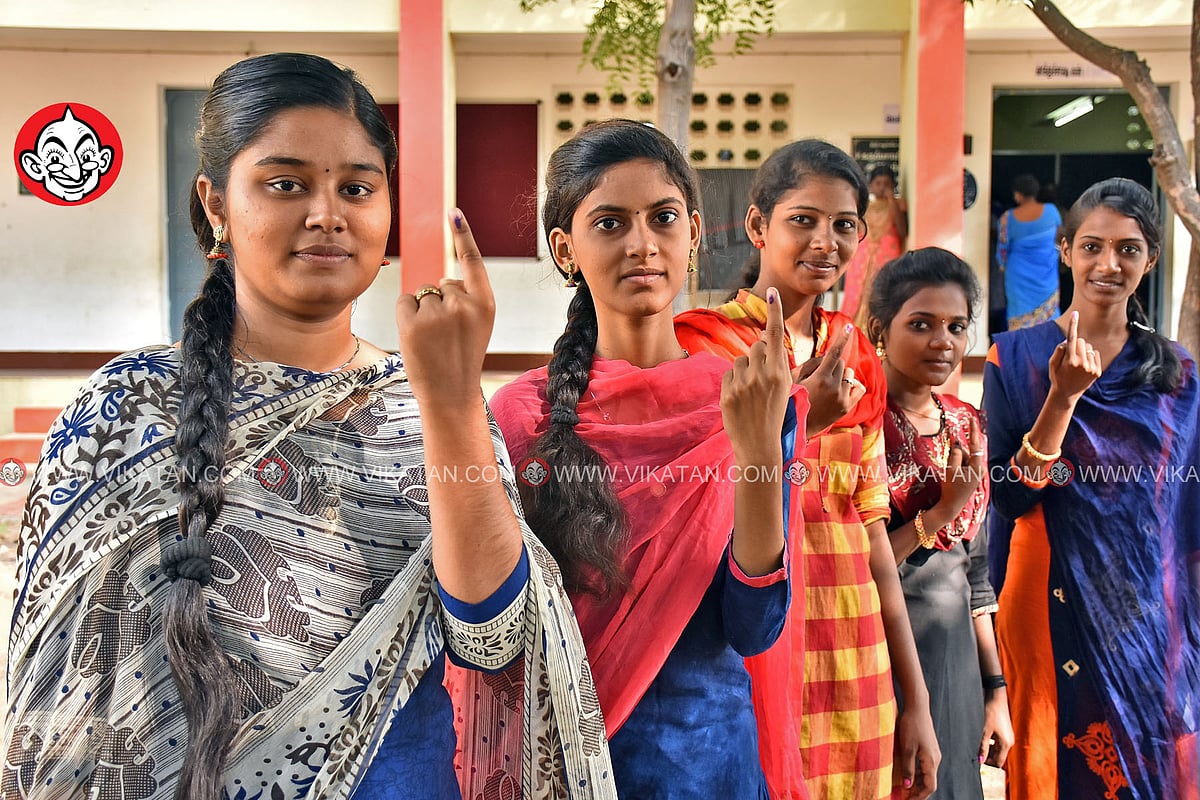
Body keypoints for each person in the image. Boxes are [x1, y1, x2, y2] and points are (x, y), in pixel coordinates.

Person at [1, 53, 613, 800]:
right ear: (217, 203)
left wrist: (451, 402)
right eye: (285, 184)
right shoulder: (125, 408)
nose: (328, 214)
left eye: (357, 187)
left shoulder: (424, 400)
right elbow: (56, 714)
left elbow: (493, 637)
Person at [480, 119, 809, 798]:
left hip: (705, 766)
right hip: (559, 763)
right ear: (564, 249)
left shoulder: (751, 397)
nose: (641, 244)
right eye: (609, 223)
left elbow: (753, 629)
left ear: (692, 233)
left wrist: (755, 458)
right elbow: (493, 626)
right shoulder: (520, 416)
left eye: (662, 218)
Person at [676, 139, 941, 800]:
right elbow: (693, 515)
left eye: (844, 225)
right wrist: (798, 412)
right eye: (804, 220)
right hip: (749, 656)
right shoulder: (700, 346)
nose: (826, 240)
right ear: (759, 225)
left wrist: (917, 702)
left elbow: (874, 538)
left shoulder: (859, 357)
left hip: (854, 662)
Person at [985, 177, 1200, 800]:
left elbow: (1187, 511)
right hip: (1049, 597)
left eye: (1129, 249)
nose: (1109, 264)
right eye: (1093, 246)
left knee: (1151, 760)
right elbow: (1009, 496)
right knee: (1055, 760)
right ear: (1065, 250)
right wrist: (1062, 398)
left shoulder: (1178, 374)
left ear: (1150, 260)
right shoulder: (1015, 357)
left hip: (1150, 605)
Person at [866, 248, 1014, 799]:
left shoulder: (966, 422)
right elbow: (858, 558)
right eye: (921, 324)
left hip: (955, 664)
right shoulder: (858, 421)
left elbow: (976, 574)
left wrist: (995, 690)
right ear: (881, 328)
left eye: (956, 326)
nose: (942, 341)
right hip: (880, 649)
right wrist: (941, 514)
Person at [842, 164, 907, 328]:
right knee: (856, 298)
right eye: (878, 183)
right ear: (871, 186)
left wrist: (891, 199)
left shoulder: (899, 205)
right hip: (862, 261)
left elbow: (902, 231)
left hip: (885, 259)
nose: (882, 187)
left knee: (882, 295)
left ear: (893, 186)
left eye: (887, 183)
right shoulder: (863, 208)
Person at [995, 174, 1062, 330]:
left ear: (1018, 194)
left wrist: (1002, 266)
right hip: (1046, 271)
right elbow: (1060, 239)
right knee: (1049, 319)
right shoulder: (1052, 212)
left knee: (1019, 317)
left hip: (1017, 276)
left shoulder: (1007, 218)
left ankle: (1020, 350)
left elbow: (1002, 250)